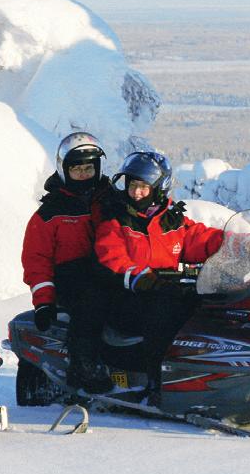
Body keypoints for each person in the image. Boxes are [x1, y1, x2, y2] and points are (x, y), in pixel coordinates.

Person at [93, 151, 224, 402]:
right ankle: (157, 384)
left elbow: (198, 238)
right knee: (164, 315)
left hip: (164, 289)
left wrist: (238, 244)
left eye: (143, 187)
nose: (136, 193)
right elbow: (112, 257)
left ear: (158, 188)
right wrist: (143, 279)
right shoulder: (116, 219)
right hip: (125, 294)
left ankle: (205, 376)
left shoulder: (170, 219)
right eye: (132, 186)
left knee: (206, 306)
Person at [21, 132, 114, 394]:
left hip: (108, 270)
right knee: (91, 301)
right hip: (70, 276)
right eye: (77, 169)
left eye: (89, 168)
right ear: (64, 170)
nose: (84, 174)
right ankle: (84, 366)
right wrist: (43, 302)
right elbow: (36, 259)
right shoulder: (50, 213)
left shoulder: (110, 200)